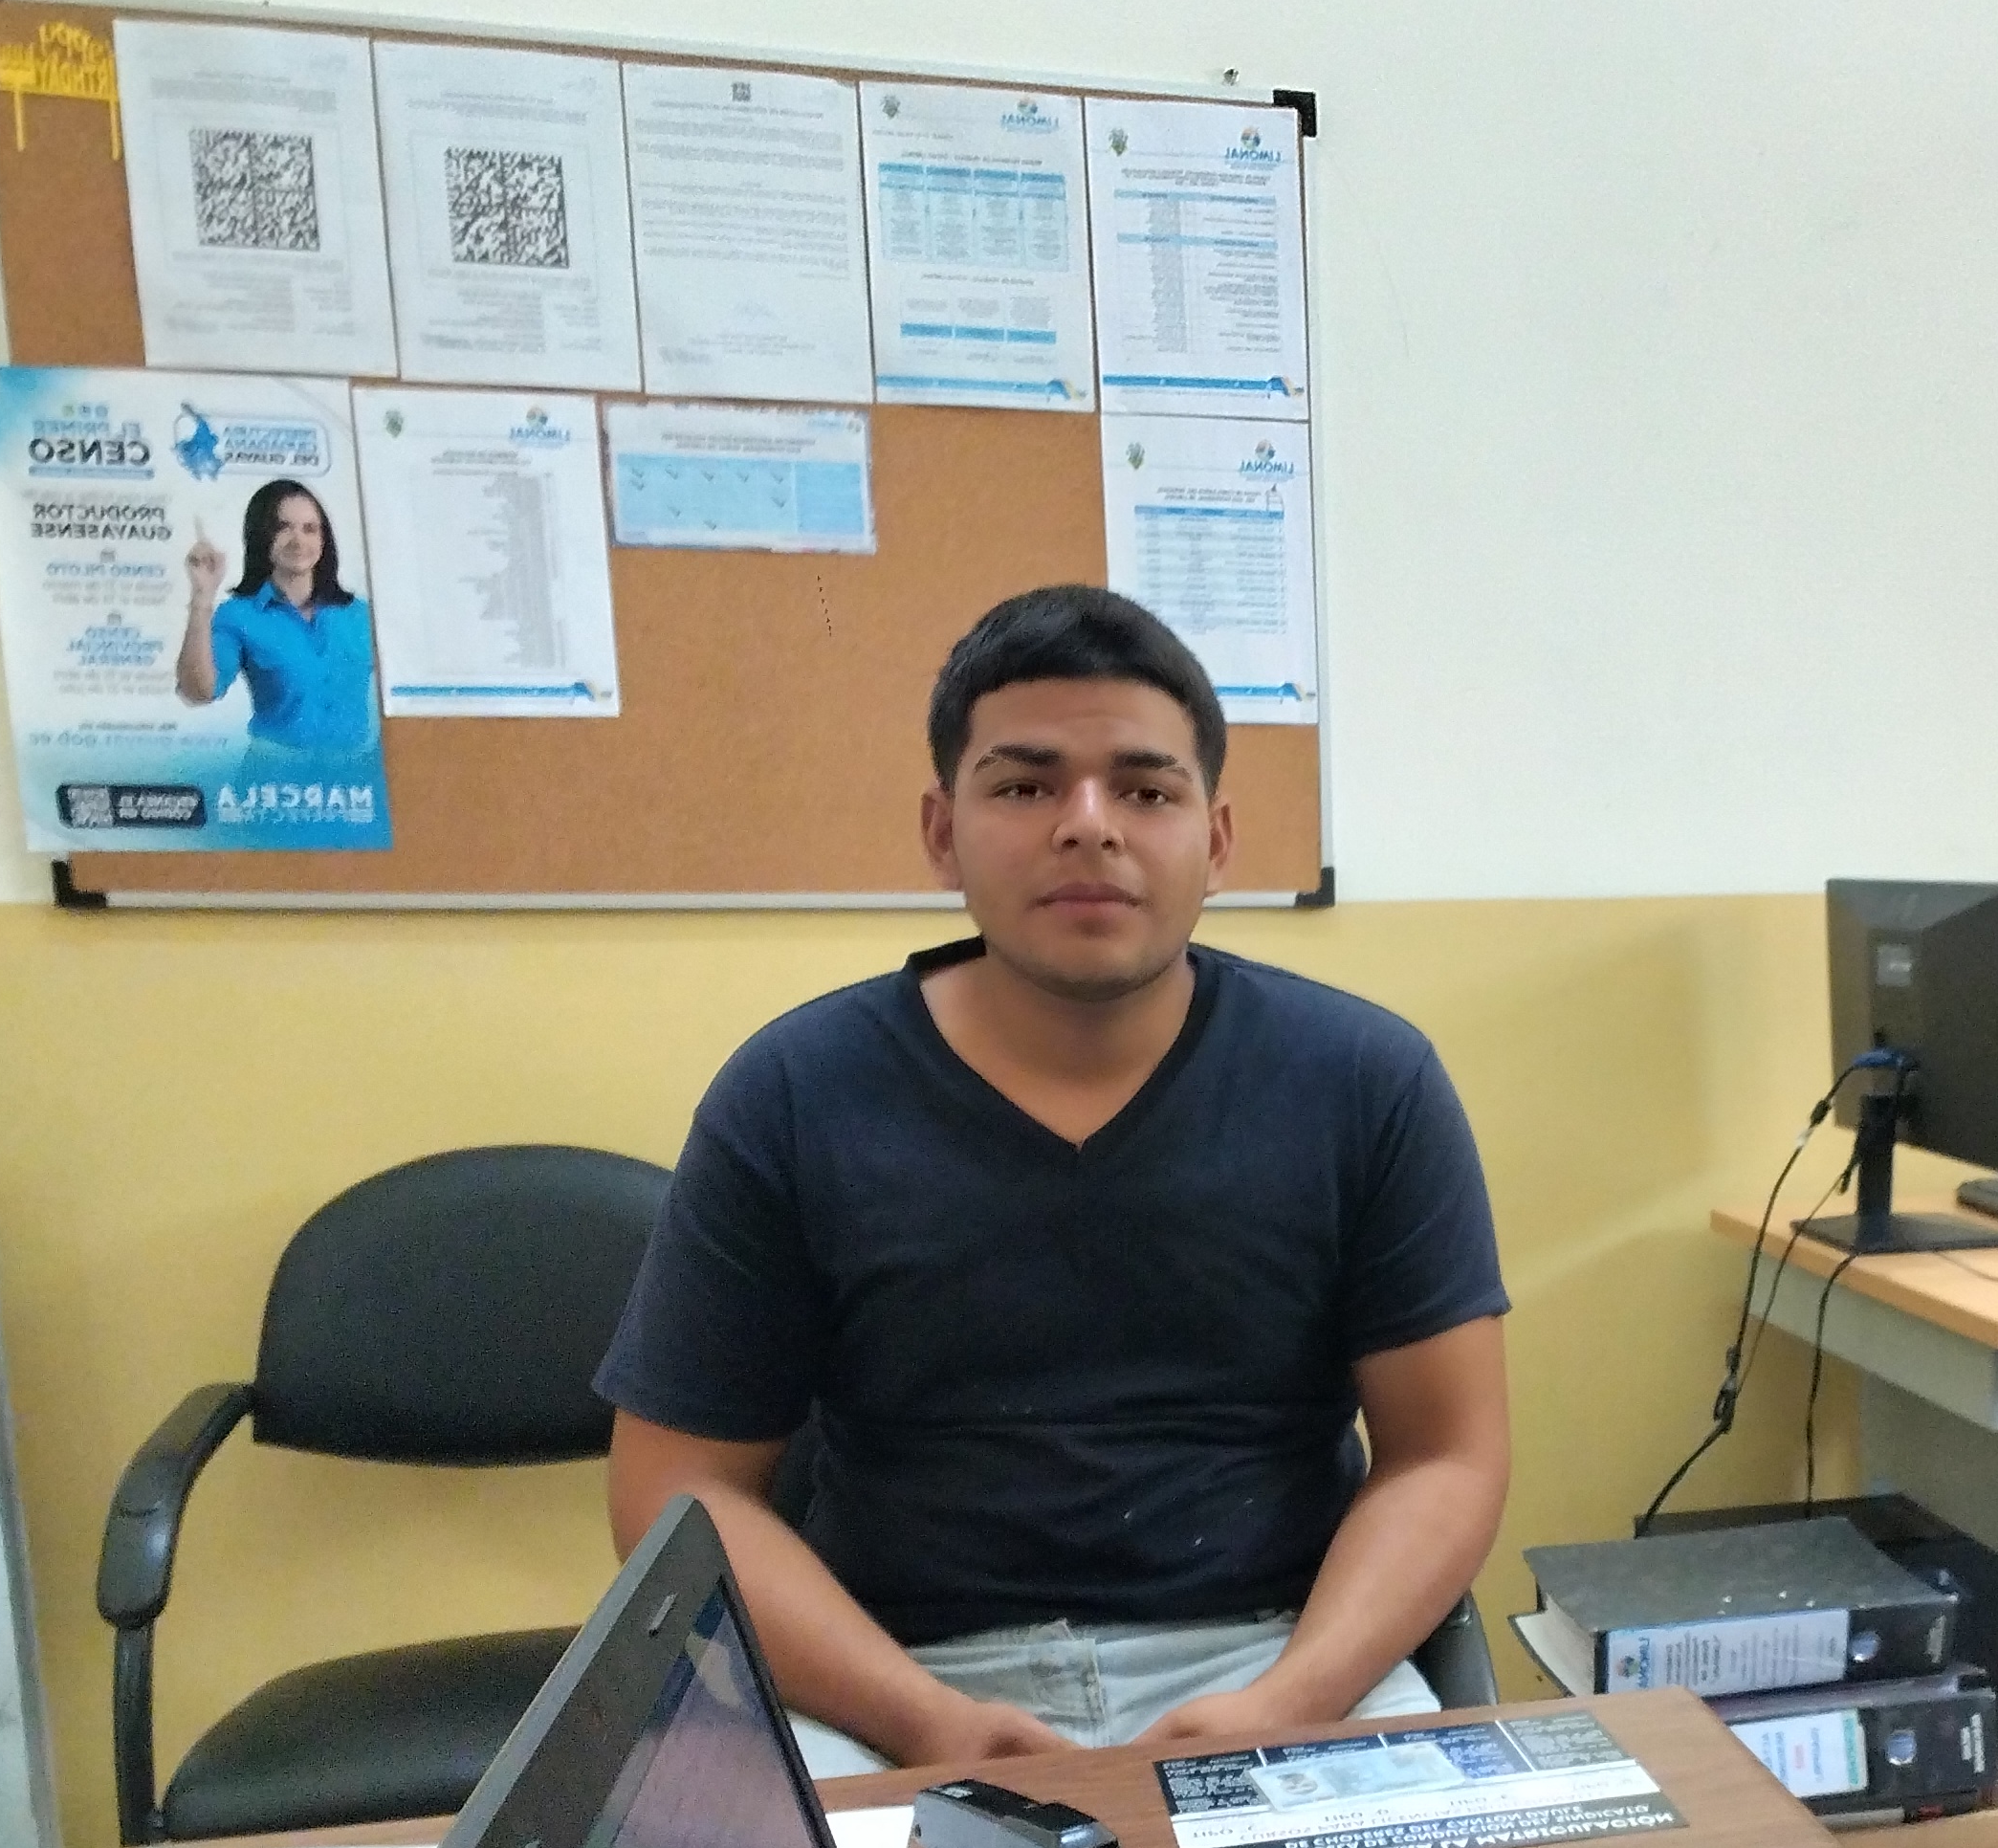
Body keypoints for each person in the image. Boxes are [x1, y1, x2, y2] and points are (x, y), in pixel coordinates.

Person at [599, 584, 1512, 1770]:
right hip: (889, 1681)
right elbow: (679, 1491)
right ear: (942, 832)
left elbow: (1445, 1453)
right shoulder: (792, 1094)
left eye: (1145, 790)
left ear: (1216, 839)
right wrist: (922, 1721)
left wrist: (1290, 1698)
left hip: (1279, 1658)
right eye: (1026, 787)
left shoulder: (1365, 1081)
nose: (1089, 826)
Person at [173, 476, 375, 762]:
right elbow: (199, 691)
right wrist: (202, 596)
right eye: (283, 527)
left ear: (324, 539)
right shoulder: (239, 615)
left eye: (310, 529)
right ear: (261, 536)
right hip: (275, 778)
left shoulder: (360, 614)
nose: (298, 540)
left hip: (356, 780)